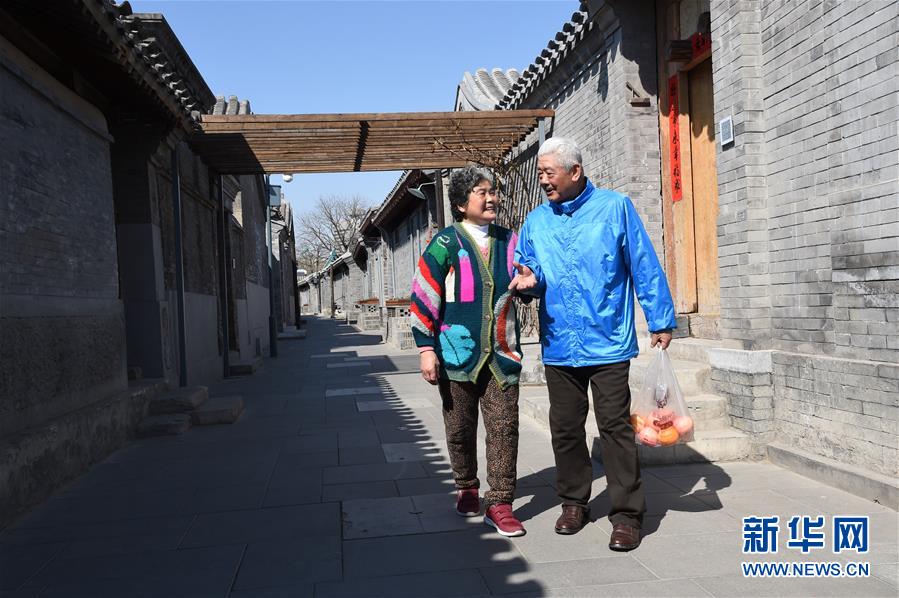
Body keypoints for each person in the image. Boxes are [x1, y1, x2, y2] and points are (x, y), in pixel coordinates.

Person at [509, 137, 675, 551]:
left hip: (608, 340)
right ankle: (573, 503)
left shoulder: (615, 208)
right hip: (559, 342)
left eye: (549, 172)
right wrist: (528, 282)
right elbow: (529, 271)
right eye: (540, 173)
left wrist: (660, 318)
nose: (543, 180)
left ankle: (627, 515)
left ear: (575, 171)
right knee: (565, 428)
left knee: (614, 428)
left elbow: (643, 263)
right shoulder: (536, 222)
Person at [410, 166, 527, 537]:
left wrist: (532, 282)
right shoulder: (445, 243)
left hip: (502, 355)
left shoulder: (510, 240)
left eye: (493, 192)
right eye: (482, 192)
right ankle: (466, 486)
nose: (492, 198)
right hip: (455, 355)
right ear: (461, 204)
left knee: (504, 429)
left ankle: (501, 502)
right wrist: (426, 349)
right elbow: (424, 295)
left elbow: (530, 279)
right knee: (459, 428)